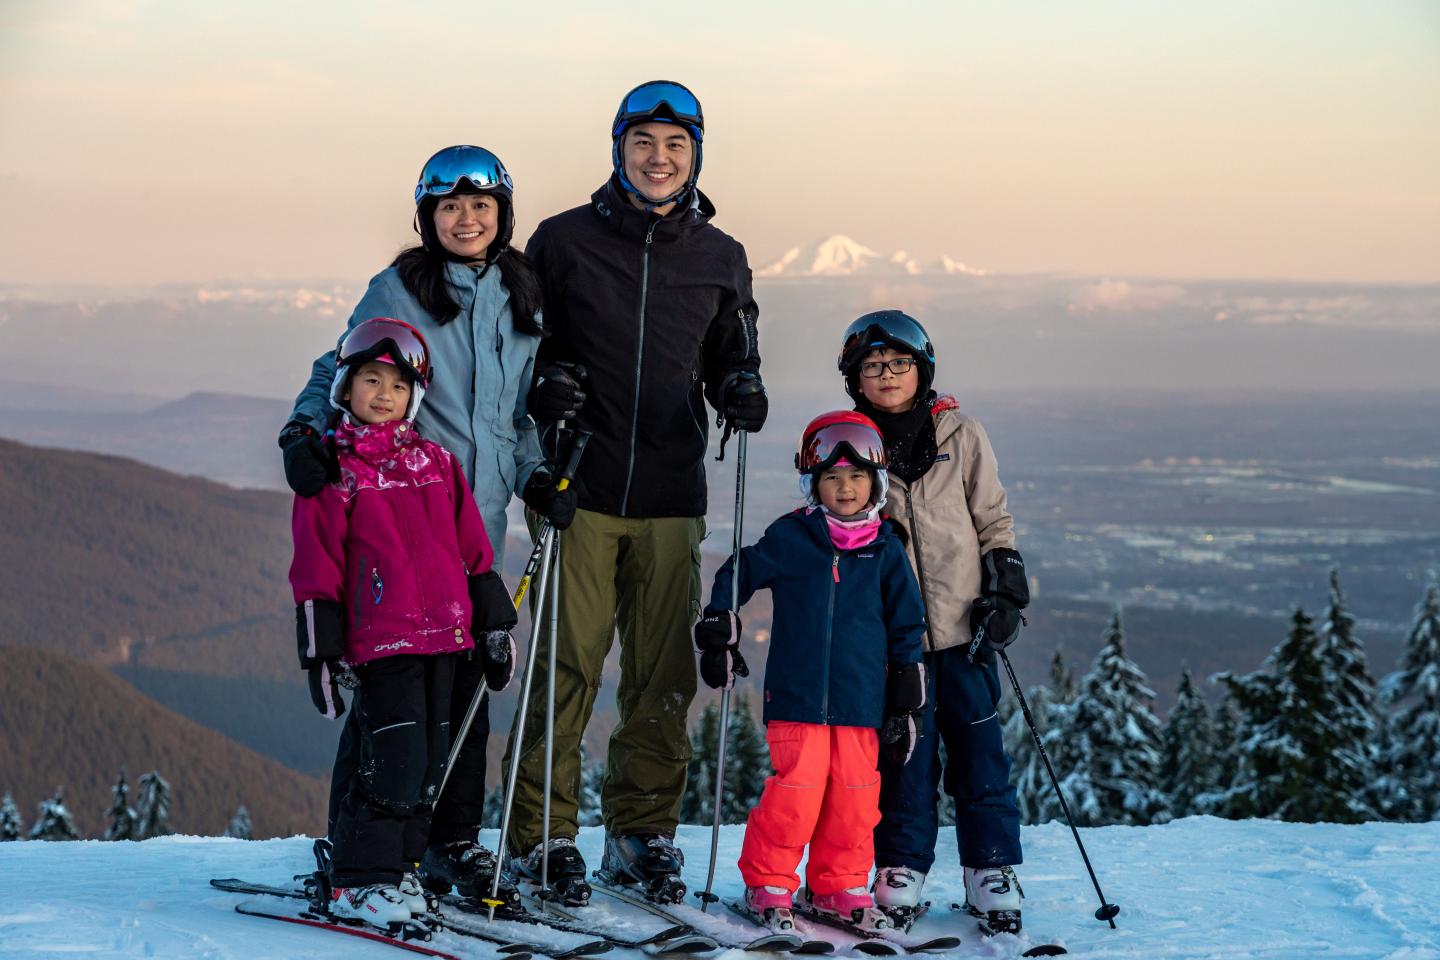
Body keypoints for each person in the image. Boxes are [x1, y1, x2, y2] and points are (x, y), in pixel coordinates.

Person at [279, 146, 570, 908]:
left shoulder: (521, 293)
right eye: (450, 207)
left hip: (472, 526)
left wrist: (537, 474)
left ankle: (449, 845)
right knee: (391, 712)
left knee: (460, 703)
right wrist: (304, 432)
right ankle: (361, 855)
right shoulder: (399, 290)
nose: (466, 219)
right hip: (391, 522)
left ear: (503, 214)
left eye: (481, 206)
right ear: (427, 217)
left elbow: (516, 416)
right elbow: (338, 366)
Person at [503, 80, 768, 905]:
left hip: (671, 491)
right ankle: (539, 840)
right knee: (566, 667)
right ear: (618, 149)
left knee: (662, 675)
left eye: (676, 145)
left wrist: (741, 387)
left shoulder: (720, 256)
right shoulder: (561, 242)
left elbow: (732, 353)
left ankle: (640, 835)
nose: (659, 158)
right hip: (577, 487)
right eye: (644, 142)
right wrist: (545, 385)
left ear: (696, 157)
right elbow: (518, 347)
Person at [289, 318, 519, 926]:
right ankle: (358, 879)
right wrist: (320, 652)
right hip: (383, 642)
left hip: (448, 639)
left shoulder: (437, 463)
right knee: (393, 762)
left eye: (397, 385)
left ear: (413, 396)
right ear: (345, 387)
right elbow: (315, 565)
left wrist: (493, 625)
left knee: (431, 765)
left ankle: (400, 868)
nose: (384, 394)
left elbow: (474, 552)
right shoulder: (333, 472)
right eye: (371, 380)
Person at [836, 310, 1033, 934]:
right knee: (906, 761)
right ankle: (901, 866)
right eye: (873, 366)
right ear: (855, 378)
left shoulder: (961, 433)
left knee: (980, 753)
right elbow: (832, 523)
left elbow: (992, 518)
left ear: (922, 369)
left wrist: (1004, 587)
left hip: (965, 631)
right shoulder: (850, 443)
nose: (887, 375)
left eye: (900, 363)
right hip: (897, 643)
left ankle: (990, 868)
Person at [693, 411, 927, 929]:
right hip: (797, 698)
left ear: (875, 483)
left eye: (857, 476)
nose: (845, 487)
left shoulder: (886, 549)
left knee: (855, 797)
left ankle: (838, 885)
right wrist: (720, 618)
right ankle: (769, 882)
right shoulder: (793, 537)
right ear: (813, 483)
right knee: (795, 793)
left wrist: (907, 688)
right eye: (832, 476)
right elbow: (741, 569)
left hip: (861, 702)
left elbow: (907, 623)